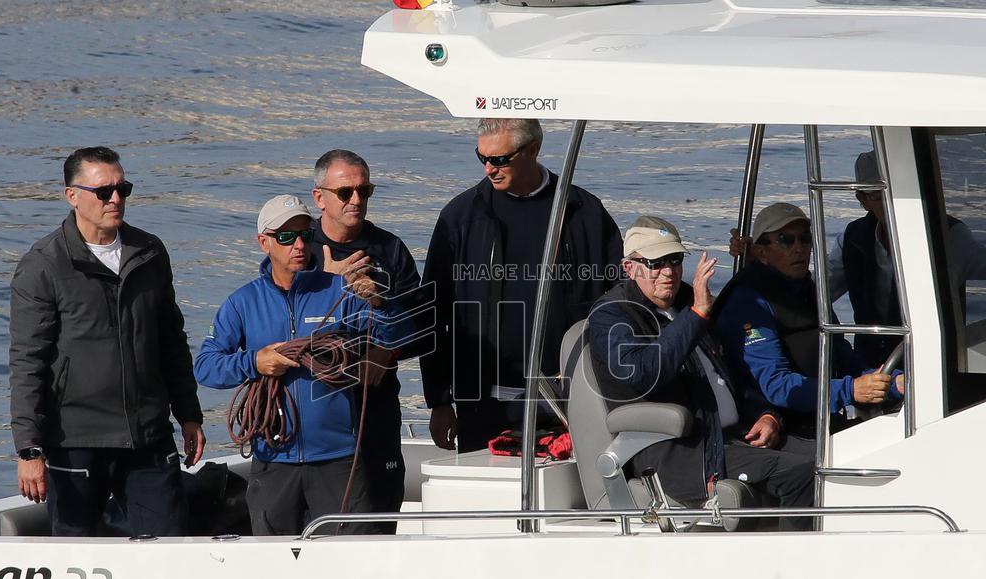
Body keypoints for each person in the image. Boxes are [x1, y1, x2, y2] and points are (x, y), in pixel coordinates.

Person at [9, 146, 205, 537]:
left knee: (169, 546)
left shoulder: (149, 252)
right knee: (76, 551)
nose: (115, 199)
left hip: (148, 434)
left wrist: (189, 414)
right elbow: (27, 361)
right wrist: (29, 448)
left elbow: (171, 342)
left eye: (122, 189)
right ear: (72, 196)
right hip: (75, 439)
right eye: (104, 191)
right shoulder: (44, 264)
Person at [194, 195, 406, 536]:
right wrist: (255, 362)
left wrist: (379, 304)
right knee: (273, 567)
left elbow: (393, 335)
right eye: (286, 236)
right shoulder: (242, 302)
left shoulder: (340, 290)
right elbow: (206, 366)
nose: (298, 244)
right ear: (264, 242)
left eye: (305, 234)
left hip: (338, 458)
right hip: (273, 459)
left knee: (351, 565)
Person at [587, 216, 814, 531]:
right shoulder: (612, 316)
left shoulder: (687, 302)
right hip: (677, 451)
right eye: (656, 263)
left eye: (675, 260)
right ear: (630, 268)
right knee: (803, 473)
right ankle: (793, 571)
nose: (668, 271)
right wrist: (695, 315)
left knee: (832, 458)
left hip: (732, 435)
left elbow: (730, 375)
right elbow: (643, 374)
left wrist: (765, 414)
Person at [421, 118, 623, 452]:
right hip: (484, 401)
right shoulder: (460, 217)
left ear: (533, 150)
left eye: (499, 159)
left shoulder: (582, 210)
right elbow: (433, 312)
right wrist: (439, 401)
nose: (488, 169)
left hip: (568, 396)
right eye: (481, 157)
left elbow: (616, 300)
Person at [731, 151, 986, 366]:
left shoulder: (951, 236)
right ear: (862, 199)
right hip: (870, 364)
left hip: (936, 361)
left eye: (896, 191)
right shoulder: (853, 238)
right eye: (877, 195)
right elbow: (815, 293)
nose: (889, 202)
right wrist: (759, 258)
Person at [310, 149, 428, 534]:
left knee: (378, 515)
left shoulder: (390, 248)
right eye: (345, 192)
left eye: (365, 190)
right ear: (320, 197)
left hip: (374, 405)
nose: (356, 200)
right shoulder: (298, 247)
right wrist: (326, 284)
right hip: (314, 407)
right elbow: (273, 320)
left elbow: (424, 324)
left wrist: (386, 349)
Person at [716, 203, 901, 437]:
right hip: (777, 426)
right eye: (786, 240)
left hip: (821, 417)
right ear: (761, 251)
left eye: (805, 239)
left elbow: (844, 358)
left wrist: (893, 382)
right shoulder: (748, 302)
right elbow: (776, 385)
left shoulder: (811, 293)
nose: (799, 249)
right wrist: (850, 390)